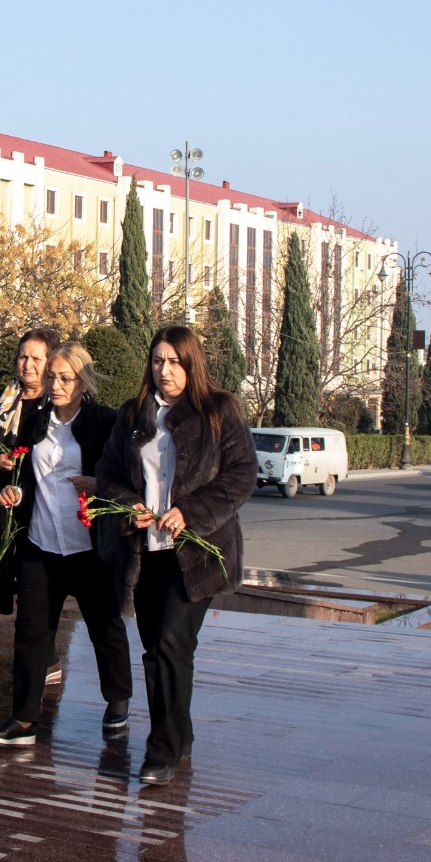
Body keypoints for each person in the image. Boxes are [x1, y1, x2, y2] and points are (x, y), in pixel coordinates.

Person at [96, 325, 256, 786]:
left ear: (192, 364)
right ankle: (179, 734)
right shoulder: (133, 415)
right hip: (145, 552)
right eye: (157, 361)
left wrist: (191, 512)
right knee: (159, 648)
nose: (164, 370)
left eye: (174, 362)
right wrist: (129, 507)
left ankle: (161, 750)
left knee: (171, 642)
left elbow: (242, 474)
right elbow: (108, 473)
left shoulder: (218, 411)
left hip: (197, 555)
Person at [0, 342, 132, 748]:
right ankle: (24, 719)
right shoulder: (34, 419)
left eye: (65, 378)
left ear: (83, 382)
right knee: (32, 631)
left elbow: (126, 475)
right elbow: (26, 476)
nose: (56, 384)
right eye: (52, 376)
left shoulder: (104, 422)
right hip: (41, 543)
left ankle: (118, 698)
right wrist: (14, 492)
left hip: (88, 546)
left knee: (104, 626)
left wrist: (101, 485)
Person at [0, 328, 61, 636]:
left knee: (33, 591)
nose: (28, 365)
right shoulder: (4, 399)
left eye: (36, 358)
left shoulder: (57, 403)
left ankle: (41, 648)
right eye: (23, 357)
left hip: (38, 505)